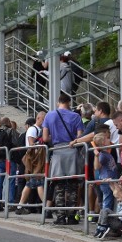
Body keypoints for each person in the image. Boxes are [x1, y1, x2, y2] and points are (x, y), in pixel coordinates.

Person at [43, 93, 84, 225]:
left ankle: (60, 216)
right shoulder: (76, 116)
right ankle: (71, 216)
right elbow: (79, 137)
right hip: (72, 151)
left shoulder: (49, 115)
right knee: (72, 185)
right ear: (69, 102)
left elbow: (45, 138)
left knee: (59, 185)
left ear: (58, 102)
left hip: (57, 151)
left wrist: (55, 138)